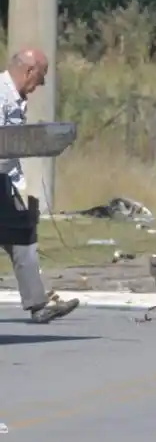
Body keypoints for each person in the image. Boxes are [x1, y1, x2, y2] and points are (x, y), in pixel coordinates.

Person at [0, 48, 80, 323]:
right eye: (41, 77)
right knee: (21, 235)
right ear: (29, 71)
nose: (41, 85)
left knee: (22, 236)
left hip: (3, 182)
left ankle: (38, 304)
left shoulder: (14, 97)